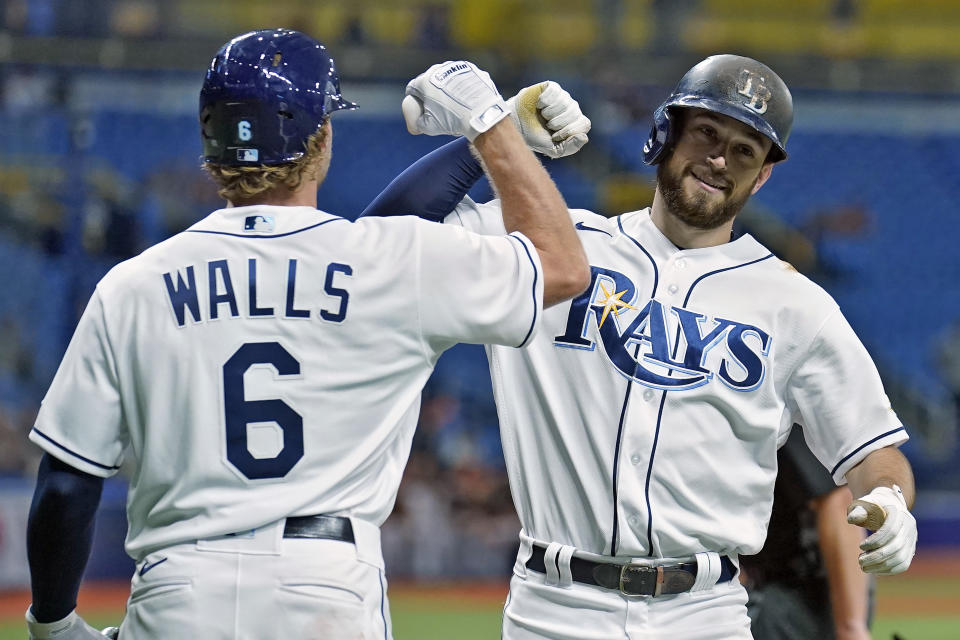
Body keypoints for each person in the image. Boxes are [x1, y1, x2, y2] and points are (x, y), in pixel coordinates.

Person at [23, 30, 590, 640]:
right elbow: (561, 266)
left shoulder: (131, 285)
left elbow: (65, 482)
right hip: (324, 588)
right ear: (320, 137)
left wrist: (54, 622)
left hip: (179, 586)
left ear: (210, 141)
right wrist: (493, 131)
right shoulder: (387, 264)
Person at [361, 54, 918, 639]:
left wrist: (889, 499)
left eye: (745, 151)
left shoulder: (796, 304)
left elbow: (870, 448)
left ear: (762, 176)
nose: (719, 159)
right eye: (706, 132)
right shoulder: (554, 247)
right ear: (666, 131)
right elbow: (382, 244)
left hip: (705, 615)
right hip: (553, 610)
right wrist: (497, 138)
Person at [741, 428, 873, 640]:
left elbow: (838, 502)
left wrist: (852, 627)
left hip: (803, 589)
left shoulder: (782, 406)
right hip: (789, 584)